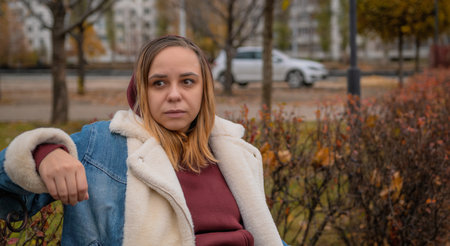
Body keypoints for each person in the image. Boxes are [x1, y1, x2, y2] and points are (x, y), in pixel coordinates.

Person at [0, 35, 286, 245]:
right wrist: (45, 153)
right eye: (159, 83)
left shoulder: (235, 152)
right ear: (141, 92)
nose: (174, 94)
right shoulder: (101, 146)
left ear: (204, 90)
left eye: (187, 81)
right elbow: (7, 186)